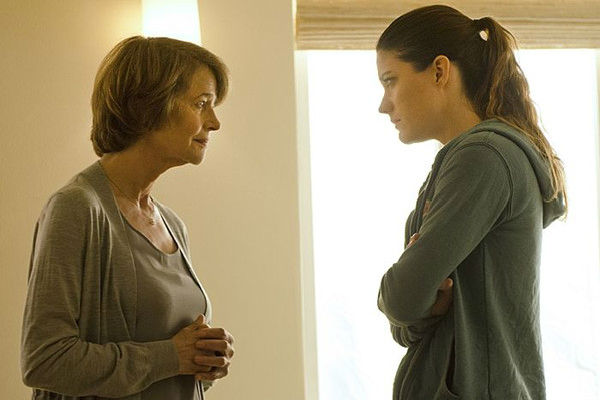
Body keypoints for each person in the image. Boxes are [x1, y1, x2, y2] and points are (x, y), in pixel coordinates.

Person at [21, 36, 234, 400]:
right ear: (148, 106)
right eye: (201, 104)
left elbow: (167, 366)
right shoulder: (75, 208)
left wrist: (203, 361)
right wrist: (172, 356)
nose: (214, 123)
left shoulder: (172, 225)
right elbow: (45, 361)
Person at [376, 5, 566, 400]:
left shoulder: (483, 156)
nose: (384, 104)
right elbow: (405, 324)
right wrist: (414, 308)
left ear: (439, 71)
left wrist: (411, 301)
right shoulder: (474, 156)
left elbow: (401, 298)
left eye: (390, 81)